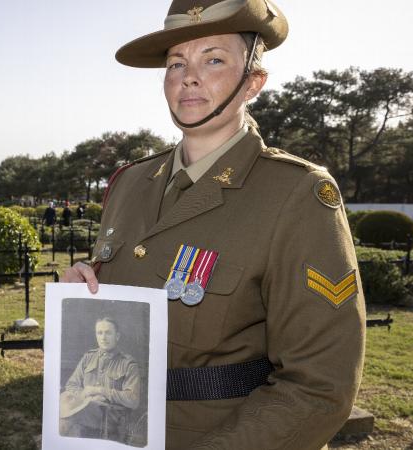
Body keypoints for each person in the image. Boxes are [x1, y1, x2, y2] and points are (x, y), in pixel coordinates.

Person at [62, 1, 365, 448]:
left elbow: (320, 386)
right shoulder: (130, 183)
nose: (188, 76)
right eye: (176, 62)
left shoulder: (296, 193)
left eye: (214, 59)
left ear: (253, 83)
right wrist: (79, 297)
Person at [60, 316, 140, 444]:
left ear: (117, 336)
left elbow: (133, 399)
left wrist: (100, 391)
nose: (103, 337)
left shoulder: (128, 364)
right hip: (85, 412)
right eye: (100, 333)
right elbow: (71, 385)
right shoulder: (88, 358)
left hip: (111, 418)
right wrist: (86, 396)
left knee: (67, 419)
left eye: (108, 333)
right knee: (65, 406)